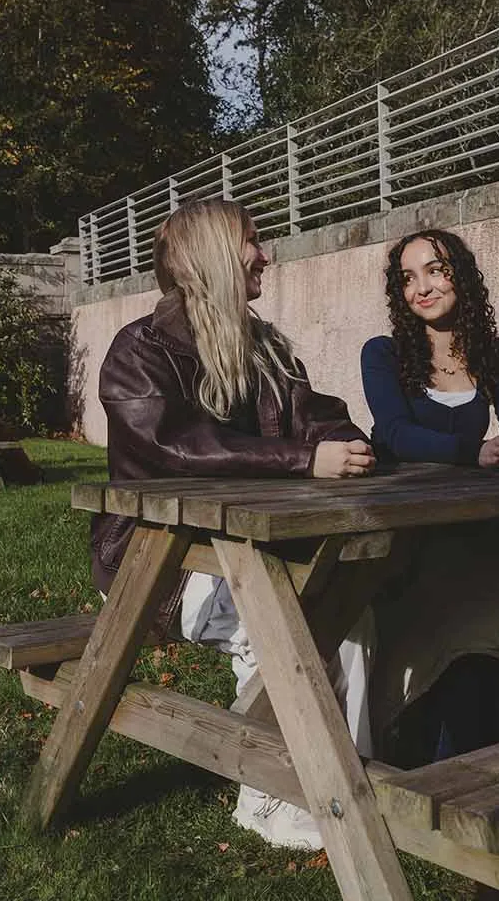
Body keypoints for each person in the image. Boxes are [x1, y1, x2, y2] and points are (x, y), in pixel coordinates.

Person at [93, 197, 376, 848]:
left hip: (253, 548)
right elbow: (173, 447)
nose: (266, 253)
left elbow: (320, 414)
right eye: (253, 240)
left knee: (351, 610)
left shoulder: (266, 348)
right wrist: (305, 459)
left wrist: (346, 444)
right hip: (157, 562)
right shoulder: (138, 350)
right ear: (214, 255)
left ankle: (342, 783)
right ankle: (270, 795)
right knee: (274, 625)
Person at [361, 230, 499, 766]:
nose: (421, 286)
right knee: (457, 681)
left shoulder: (493, 352)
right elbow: (394, 434)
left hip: (482, 531)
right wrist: (478, 452)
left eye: (435, 270)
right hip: (413, 537)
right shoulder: (385, 354)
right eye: (407, 277)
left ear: (461, 275)